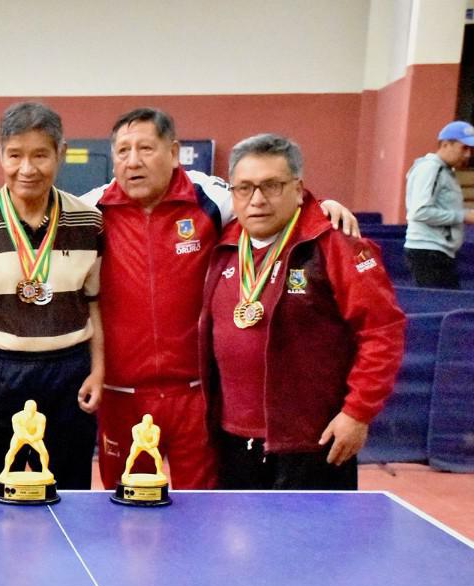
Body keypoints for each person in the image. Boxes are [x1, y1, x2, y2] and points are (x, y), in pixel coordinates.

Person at [0, 108, 358, 490]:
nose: (133, 162)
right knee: (126, 507)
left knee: (199, 511)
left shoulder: (210, 199)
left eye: (146, 149)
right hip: (120, 395)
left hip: (193, 394)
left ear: (174, 152)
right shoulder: (93, 211)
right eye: (123, 151)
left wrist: (319, 208)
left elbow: (267, 196)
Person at [200, 134, 405, 490]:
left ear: (298, 189)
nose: (258, 199)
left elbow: (382, 330)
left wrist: (357, 412)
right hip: (231, 439)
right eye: (245, 188)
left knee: (311, 546)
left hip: (312, 442)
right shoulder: (223, 241)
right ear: (232, 194)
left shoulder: (336, 244)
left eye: (272, 186)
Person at [0, 102, 104, 491]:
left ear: (61, 153)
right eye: (15, 155)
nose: (27, 168)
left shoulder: (89, 221)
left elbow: (94, 305)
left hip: (68, 373)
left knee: (68, 494)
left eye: (40, 155)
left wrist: (98, 370)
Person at [404, 120, 474, 289]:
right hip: (428, 253)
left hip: (439, 253)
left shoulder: (445, 171)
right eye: (463, 148)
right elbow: (419, 212)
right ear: (445, 144)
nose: (468, 155)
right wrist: (463, 216)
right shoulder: (431, 169)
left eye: (470, 150)